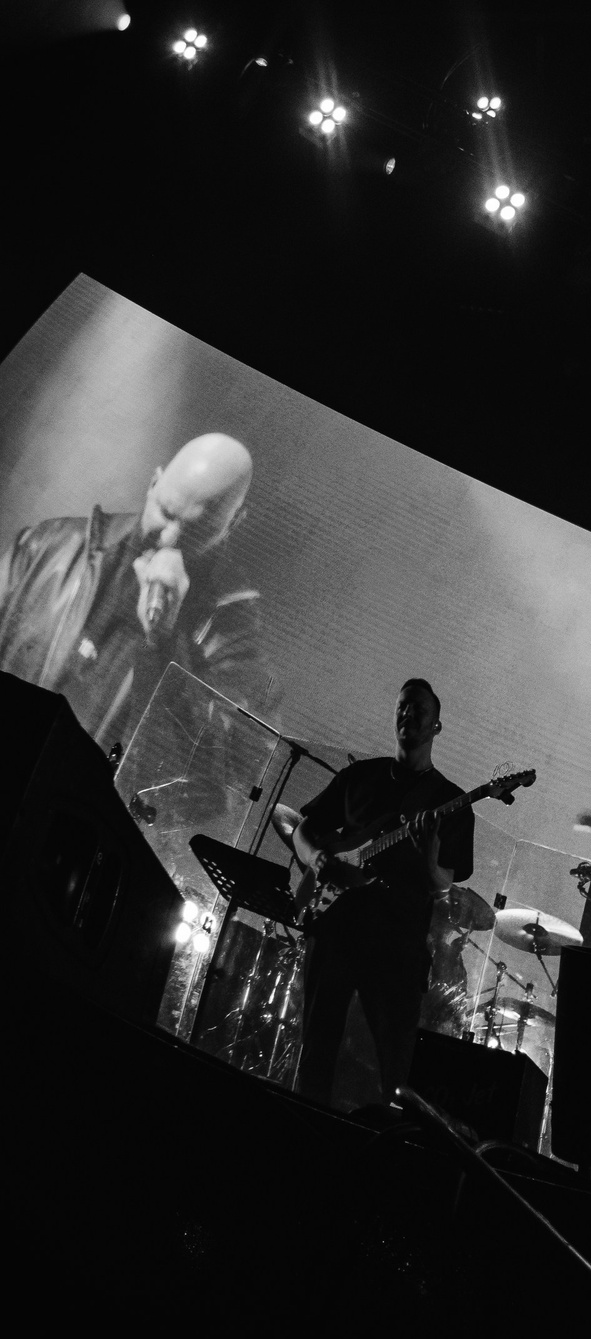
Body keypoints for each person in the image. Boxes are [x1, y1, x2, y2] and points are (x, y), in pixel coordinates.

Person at [0, 431, 273, 756]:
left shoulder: (231, 635)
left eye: (196, 530)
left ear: (233, 522)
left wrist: (165, 644)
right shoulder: (49, 546)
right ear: (153, 483)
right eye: (167, 513)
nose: (170, 539)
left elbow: (211, 773)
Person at [290, 679, 474, 1106]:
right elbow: (302, 828)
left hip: (398, 943)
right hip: (336, 927)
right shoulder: (360, 776)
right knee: (315, 1049)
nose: (409, 714)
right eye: (403, 706)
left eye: (420, 709)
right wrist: (317, 859)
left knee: (393, 1072)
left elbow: (442, 881)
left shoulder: (450, 801)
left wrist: (429, 854)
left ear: (437, 726)